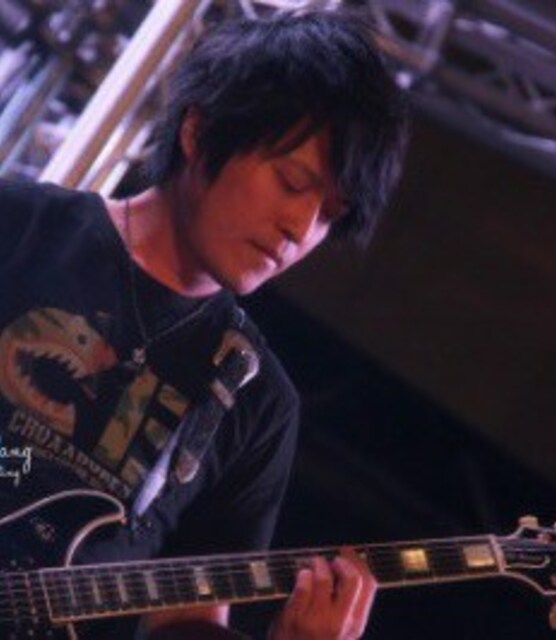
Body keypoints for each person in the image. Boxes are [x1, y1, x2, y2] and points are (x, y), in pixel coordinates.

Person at [0, 10, 408, 639]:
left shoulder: (256, 401)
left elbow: (189, 617)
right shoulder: (20, 226)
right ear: (198, 131)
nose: (300, 229)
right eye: (291, 181)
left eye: (330, 214)